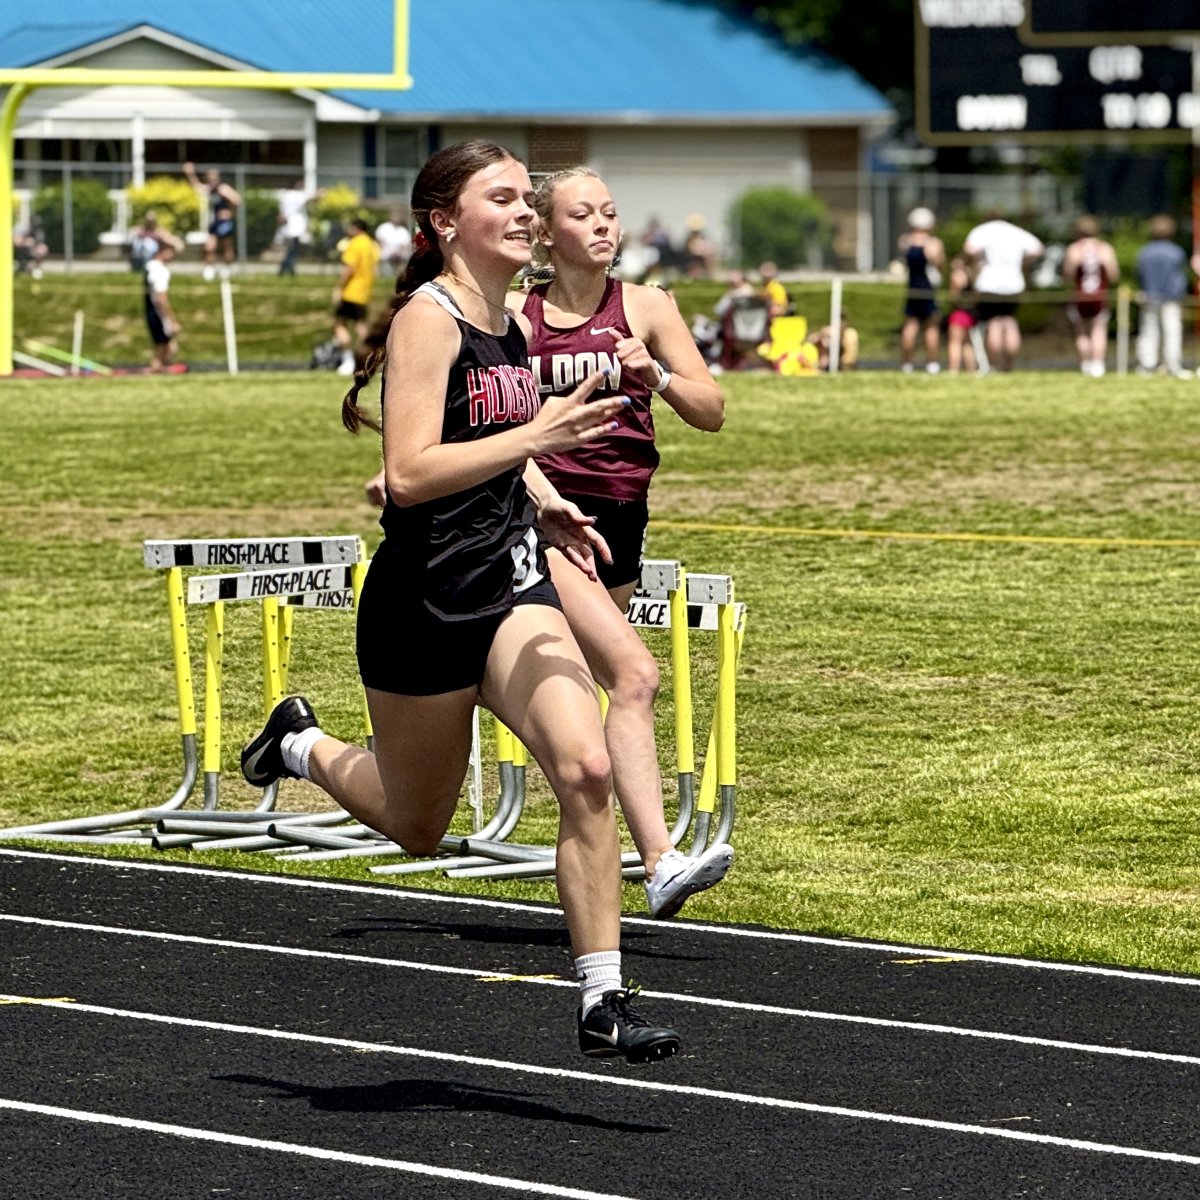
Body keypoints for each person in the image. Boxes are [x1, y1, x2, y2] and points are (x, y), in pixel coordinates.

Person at [242, 140, 681, 1064]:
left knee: (587, 767)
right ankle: (300, 743)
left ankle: (601, 996)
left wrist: (544, 494)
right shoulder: (426, 321)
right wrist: (542, 433)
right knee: (418, 827)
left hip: (513, 582)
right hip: (425, 600)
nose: (528, 213)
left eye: (531, 198)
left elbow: (491, 443)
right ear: (447, 223)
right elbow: (406, 474)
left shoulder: (515, 321)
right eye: (506, 199)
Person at [366, 165, 734, 919]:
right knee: (630, 678)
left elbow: (713, 410)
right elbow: (458, 424)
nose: (602, 226)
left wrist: (657, 374)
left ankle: (599, 872)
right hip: (526, 528)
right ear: (551, 228)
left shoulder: (646, 306)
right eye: (582, 214)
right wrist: (515, 480)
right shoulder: (514, 319)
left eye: (611, 212)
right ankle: (657, 860)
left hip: (611, 524)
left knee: (584, 726)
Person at [962, 212, 1044, 372]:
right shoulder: (1015, 231)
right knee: (1009, 322)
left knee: (994, 323)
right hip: (1013, 284)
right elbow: (1038, 249)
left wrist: (978, 263)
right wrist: (1022, 262)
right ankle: (1009, 366)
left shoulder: (983, 230)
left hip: (989, 284)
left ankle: (993, 365)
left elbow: (969, 249)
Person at [1061, 215, 1119, 379]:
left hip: (1080, 295)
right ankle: (1097, 365)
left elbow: (1068, 274)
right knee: (1098, 330)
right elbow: (1114, 274)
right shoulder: (1105, 248)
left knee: (1082, 332)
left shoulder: (1074, 249)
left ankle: (1085, 364)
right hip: (1100, 296)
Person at [1135, 214, 1192, 379]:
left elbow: (1140, 275)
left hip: (1149, 296)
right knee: (1172, 331)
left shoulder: (1145, 252)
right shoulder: (1176, 252)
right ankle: (1173, 365)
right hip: (1171, 298)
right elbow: (1180, 277)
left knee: (1148, 331)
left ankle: (1146, 365)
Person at [332, 216, 381, 375]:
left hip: (351, 291)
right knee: (362, 327)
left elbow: (349, 268)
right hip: (364, 291)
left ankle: (348, 360)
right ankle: (369, 359)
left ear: (356, 228)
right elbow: (375, 269)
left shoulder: (355, 243)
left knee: (340, 324)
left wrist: (339, 288)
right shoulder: (371, 245)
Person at [898, 207, 944, 374]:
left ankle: (907, 364)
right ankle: (932, 364)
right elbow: (939, 264)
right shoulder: (933, 243)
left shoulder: (906, 241)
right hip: (927, 289)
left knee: (910, 326)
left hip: (912, 287)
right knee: (931, 327)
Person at [183, 161, 241, 281]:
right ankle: (209, 269)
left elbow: (237, 199)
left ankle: (228, 268)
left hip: (224, 223)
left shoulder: (223, 188)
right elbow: (197, 187)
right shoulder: (210, 189)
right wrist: (190, 174)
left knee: (227, 246)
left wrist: (230, 212)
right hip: (214, 222)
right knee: (209, 246)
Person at [144, 240, 180, 373]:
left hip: (151, 310)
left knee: (166, 346)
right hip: (158, 312)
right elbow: (161, 297)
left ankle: (160, 367)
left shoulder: (149, 268)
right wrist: (171, 319)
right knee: (164, 347)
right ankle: (157, 369)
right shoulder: (160, 270)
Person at [945, 255, 979, 375]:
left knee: (955, 342)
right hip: (970, 314)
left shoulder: (956, 276)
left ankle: (953, 370)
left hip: (959, 313)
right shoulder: (971, 274)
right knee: (967, 343)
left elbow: (953, 296)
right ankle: (971, 371)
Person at [277, 179, 316, 276]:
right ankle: (287, 270)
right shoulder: (295, 195)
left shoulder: (285, 195)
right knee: (293, 251)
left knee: (291, 250)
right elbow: (310, 197)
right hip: (295, 228)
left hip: (289, 227)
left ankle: (286, 269)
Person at [374, 207, 413, 276]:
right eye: (394, 216)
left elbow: (405, 245)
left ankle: (400, 274)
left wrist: (400, 251)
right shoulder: (383, 227)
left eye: (397, 217)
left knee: (405, 255)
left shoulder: (402, 230)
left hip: (399, 252)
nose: (396, 219)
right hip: (385, 251)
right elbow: (379, 241)